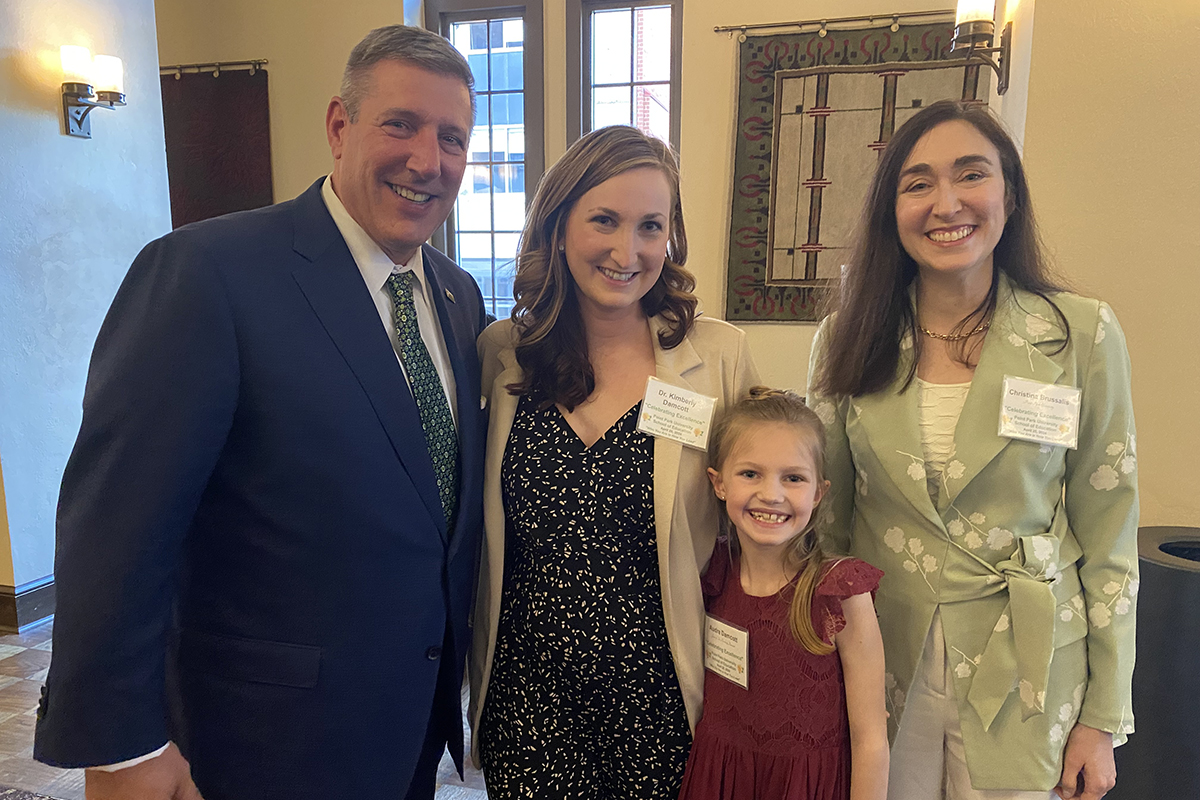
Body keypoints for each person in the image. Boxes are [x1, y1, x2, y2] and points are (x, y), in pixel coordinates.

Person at [34, 25, 489, 800]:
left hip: (408, 732)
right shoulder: (208, 275)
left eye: (452, 137)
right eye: (400, 124)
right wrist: (122, 747)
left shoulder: (457, 294)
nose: (428, 160)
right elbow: (117, 526)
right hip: (259, 743)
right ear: (340, 127)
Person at [806, 100, 1138, 800]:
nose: (945, 203)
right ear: (891, 210)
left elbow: (1110, 536)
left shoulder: (1080, 334)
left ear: (1008, 195)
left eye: (971, 175)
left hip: (1032, 671)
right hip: (881, 664)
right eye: (918, 183)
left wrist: (1102, 719)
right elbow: (828, 528)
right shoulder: (845, 340)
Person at [468, 125, 760, 798]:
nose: (627, 250)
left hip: (662, 702)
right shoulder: (501, 353)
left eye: (650, 226)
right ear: (559, 225)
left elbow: (755, 527)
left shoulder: (716, 359)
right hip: (529, 705)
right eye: (605, 219)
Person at [677, 387, 889, 800]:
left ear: (818, 492)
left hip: (805, 786)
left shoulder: (839, 593)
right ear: (718, 483)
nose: (771, 494)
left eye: (793, 478)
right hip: (720, 779)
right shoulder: (712, 575)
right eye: (750, 474)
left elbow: (872, 741)